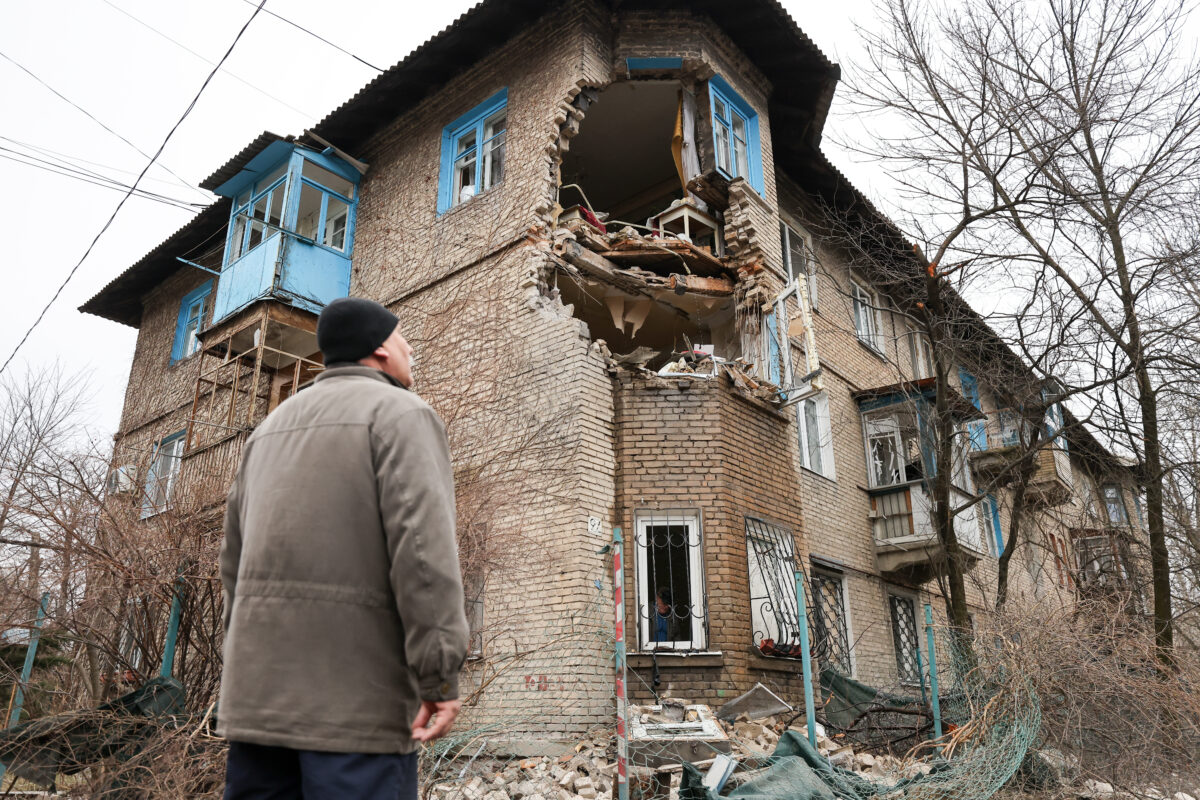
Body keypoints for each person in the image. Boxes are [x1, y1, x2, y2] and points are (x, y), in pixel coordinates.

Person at [219, 297, 469, 800]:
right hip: (355, 711)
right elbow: (423, 559)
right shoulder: (401, 415)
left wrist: (244, 669)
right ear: (379, 348)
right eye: (403, 337)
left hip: (257, 707)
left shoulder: (266, 432)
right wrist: (439, 678)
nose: (411, 348)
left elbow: (232, 566)